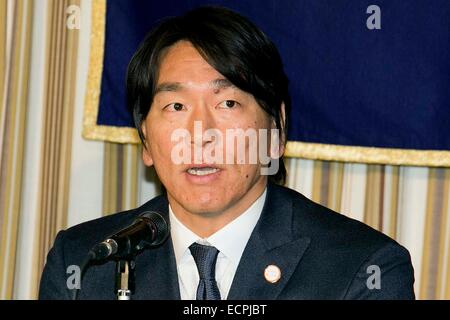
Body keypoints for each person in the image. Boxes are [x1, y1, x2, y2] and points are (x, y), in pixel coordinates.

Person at [39, 6, 415, 300]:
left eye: (228, 103)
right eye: (176, 107)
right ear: (146, 139)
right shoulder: (85, 262)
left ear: (276, 129)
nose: (200, 134)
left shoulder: (361, 269)